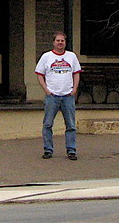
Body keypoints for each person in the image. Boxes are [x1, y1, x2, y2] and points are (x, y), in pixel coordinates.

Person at [35, 31, 82, 160]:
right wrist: (46, 90)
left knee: (71, 125)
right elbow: (40, 74)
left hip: (68, 96)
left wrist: (74, 89)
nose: (60, 43)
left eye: (62, 41)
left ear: (65, 43)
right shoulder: (46, 57)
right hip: (52, 97)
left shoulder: (71, 56)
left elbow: (76, 73)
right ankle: (48, 150)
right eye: (58, 40)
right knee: (48, 124)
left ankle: (71, 150)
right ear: (53, 42)